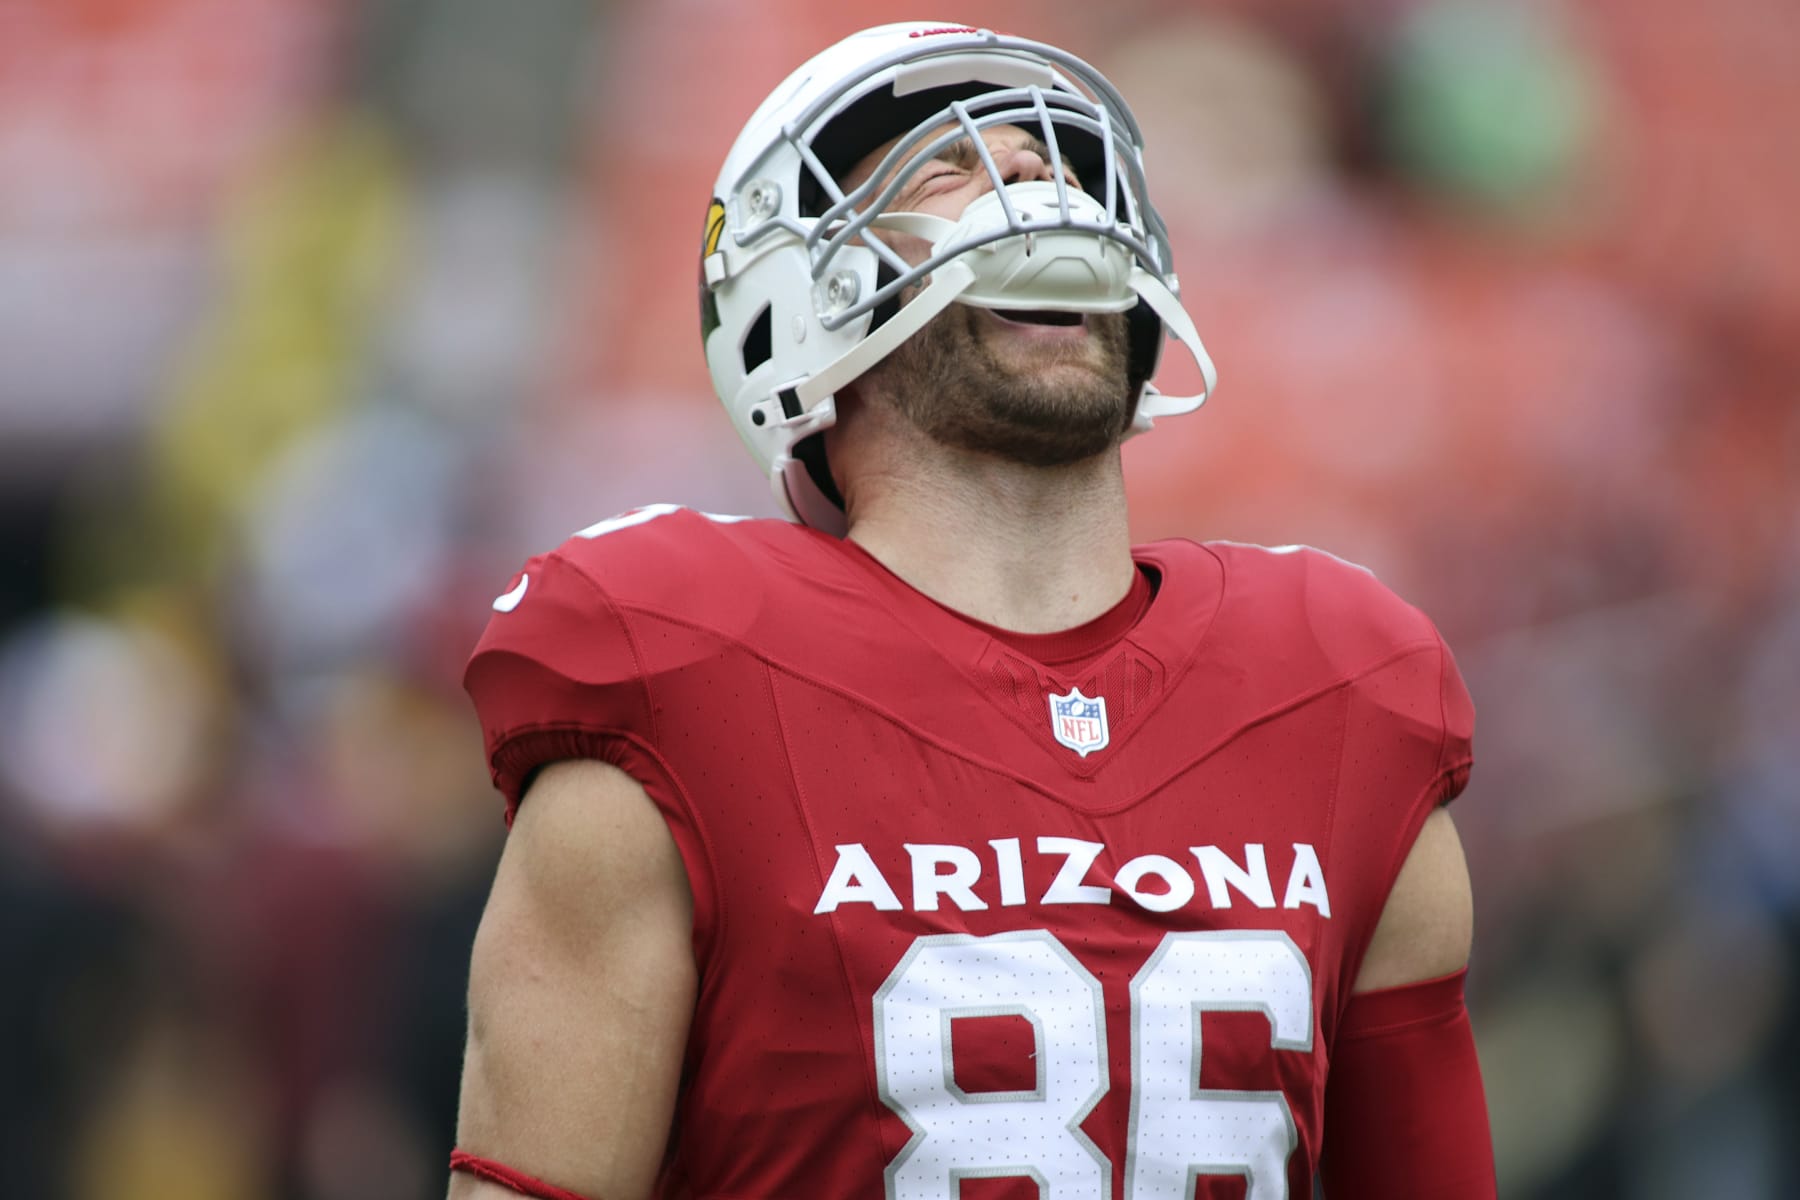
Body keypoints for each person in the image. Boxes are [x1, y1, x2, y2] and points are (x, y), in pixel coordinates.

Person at [449, 22, 1495, 1200]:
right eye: (950, 169)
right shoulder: (682, 676)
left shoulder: (1337, 686)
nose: (1039, 189)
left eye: (1061, 168)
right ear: (797, 296)